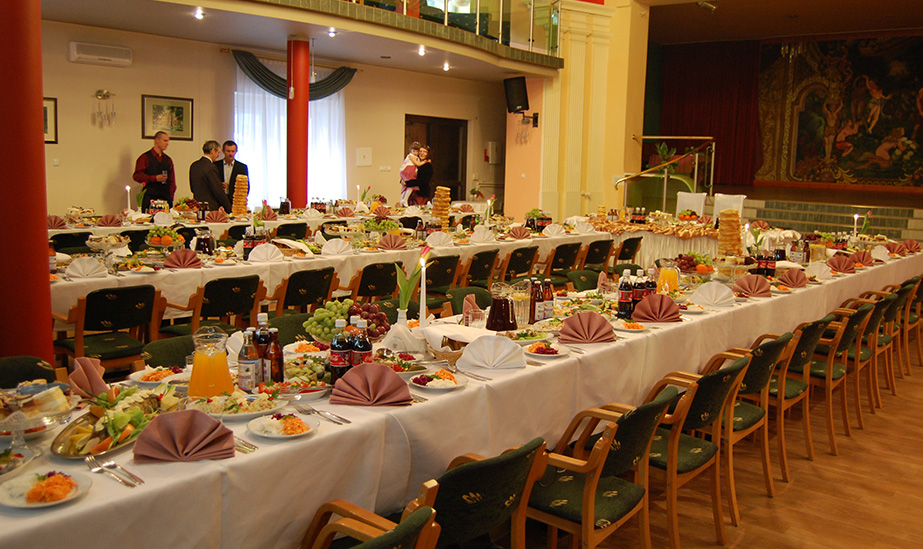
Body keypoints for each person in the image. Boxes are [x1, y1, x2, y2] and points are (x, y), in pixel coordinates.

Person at [132, 131, 176, 212]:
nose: (167, 143)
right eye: (165, 140)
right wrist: (154, 178)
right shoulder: (145, 158)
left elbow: (172, 180)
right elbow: (137, 176)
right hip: (150, 197)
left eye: (168, 141)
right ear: (157, 140)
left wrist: (171, 196)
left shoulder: (168, 159)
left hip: (165, 198)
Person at [190, 140, 232, 212]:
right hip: (210, 207)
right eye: (218, 152)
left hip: (197, 206)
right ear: (213, 151)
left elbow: (193, 188)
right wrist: (229, 208)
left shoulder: (194, 165)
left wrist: (218, 185)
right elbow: (218, 191)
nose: (218, 156)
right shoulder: (211, 167)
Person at [399, 142, 429, 206]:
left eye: (424, 152)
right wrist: (402, 180)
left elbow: (422, 181)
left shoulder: (427, 165)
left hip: (421, 194)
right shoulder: (414, 159)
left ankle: (404, 199)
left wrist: (408, 183)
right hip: (413, 193)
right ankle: (403, 200)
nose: (421, 153)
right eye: (420, 151)